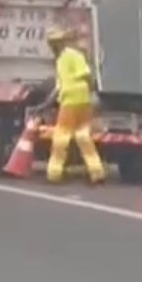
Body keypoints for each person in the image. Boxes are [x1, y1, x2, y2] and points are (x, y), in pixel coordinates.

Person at [39, 26, 105, 185]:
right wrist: (44, 105)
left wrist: (44, 105)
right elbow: (59, 87)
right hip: (82, 101)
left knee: (61, 138)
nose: (53, 46)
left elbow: (86, 76)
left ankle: (54, 174)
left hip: (71, 102)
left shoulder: (69, 56)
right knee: (83, 136)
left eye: (54, 43)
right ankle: (97, 172)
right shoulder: (65, 58)